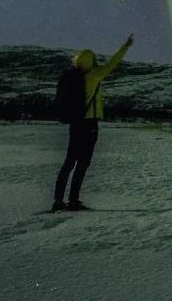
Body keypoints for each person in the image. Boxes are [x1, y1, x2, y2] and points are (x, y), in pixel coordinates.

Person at [51, 33, 134, 212]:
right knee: (82, 164)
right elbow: (112, 64)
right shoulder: (93, 76)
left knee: (68, 163)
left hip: (75, 124)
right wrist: (125, 46)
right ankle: (73, 201)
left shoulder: (74, 77)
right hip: (89, 126)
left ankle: (58, 200)